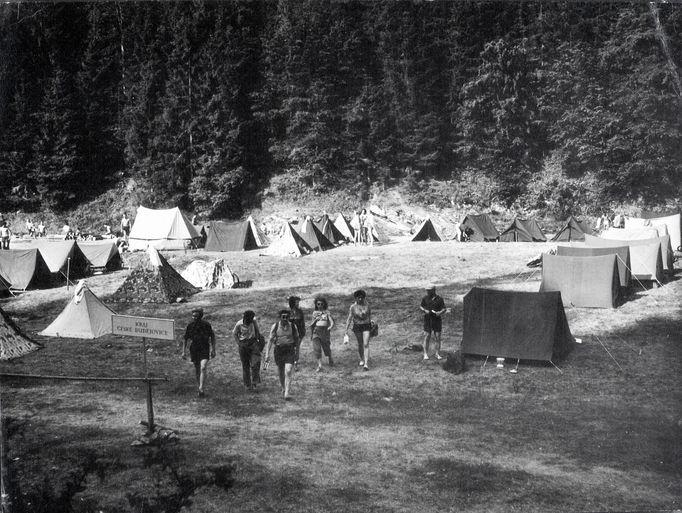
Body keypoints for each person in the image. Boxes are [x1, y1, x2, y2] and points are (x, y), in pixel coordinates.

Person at [264, 310, 300, 400]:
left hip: (289, 350)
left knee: (288, 370)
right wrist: (267, 354)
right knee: (281, 371)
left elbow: (297, 340)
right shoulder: (275, 326)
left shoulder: (293, 326)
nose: (285, 319)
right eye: (283, 317)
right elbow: (270, 340)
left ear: (289, 317)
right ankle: (283, 387)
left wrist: (297, 353)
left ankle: (287, 392)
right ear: (280, 317)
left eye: (287, 317)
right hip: (279, 350)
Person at [181, 308, 216, 398]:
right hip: (194, 348)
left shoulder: (206, 325)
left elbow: (212, 336)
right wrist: (183, 351)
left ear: (200, 316)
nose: (194, 318)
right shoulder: (190, 326)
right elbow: (185, 338)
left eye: (196, 316)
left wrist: (213, 349)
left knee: (203, 367)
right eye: (193, 316)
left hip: (204, 348)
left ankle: (201, 388)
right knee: (197, 369)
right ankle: (200, 387)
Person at [232, 310, 262, 390]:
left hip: (253, 344)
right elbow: (235, 334)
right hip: (243, 344)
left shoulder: (254, 322)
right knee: (245, 365)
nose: (249, 321)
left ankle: (255, 383)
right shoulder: (239, 324)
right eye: (248, 320)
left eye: (251, 320)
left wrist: (258, 342)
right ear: (244, 318)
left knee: (255, 363)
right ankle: (247, 384)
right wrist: (239, 343)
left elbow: (257, 332)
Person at [344, 289, 372, 371]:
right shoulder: (353, 307)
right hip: (357, 326)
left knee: (366, 344)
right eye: (358, 297)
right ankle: (362, 359)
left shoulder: (367, 305)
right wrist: (346, 329)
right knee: (360, 344)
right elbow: (349, 318)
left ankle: (366, 364)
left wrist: (371, 324)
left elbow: (369, 315)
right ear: (355, 298)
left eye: (362, 297)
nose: (360, 299)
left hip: (366, 325)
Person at [420, 286, 446, 361]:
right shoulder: (425, 298)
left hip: (437, 319)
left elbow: (444, 308)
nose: (428, 292)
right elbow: (421, 306)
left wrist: (440, 312)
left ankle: (437, 353)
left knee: (437, 336)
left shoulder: (439, 299)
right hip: (427, 319)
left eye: (429, 291)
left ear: (434, 290)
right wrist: (424, 310)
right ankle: (425, 354)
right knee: (427, 336)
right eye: (427, 291)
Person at [310, 296, 335, 372]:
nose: (320, 305)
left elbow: (332, 321)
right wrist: (315, 320)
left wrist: (330, 327)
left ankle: (330, 357)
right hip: (316, 331)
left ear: (324, 304)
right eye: (318, 304)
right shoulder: (314, 313)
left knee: (326, 348)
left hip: (325, 332)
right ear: (316, 305)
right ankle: (320, 365)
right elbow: (312, 325)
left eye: (321, 304)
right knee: (317, 348)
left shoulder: (327, 312)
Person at [288, 296, 306, 369]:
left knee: (297, 347)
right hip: (291, 333)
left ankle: (295, 362)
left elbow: (302, 322)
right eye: (296, 302)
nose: (298, 303)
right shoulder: (289, 313)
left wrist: (303, 331)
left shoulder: (300, 312)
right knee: (292, 347)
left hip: (299, 332)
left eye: (298, 302)